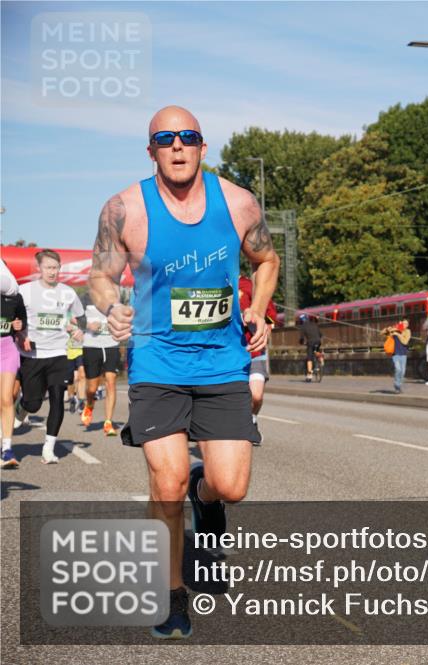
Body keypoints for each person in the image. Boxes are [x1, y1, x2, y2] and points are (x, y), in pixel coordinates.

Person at [88, 105, 279, 640]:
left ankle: (207, 495)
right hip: (156, 362)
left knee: (230, 485)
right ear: (151, 150)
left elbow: (267, 260)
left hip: (222, 362)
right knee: (165, 481)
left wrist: (258, 309)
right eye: (165, 138)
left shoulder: (238, 202)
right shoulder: (124, 209)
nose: (177, 146)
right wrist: (111, 306)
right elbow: (101, 277)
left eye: (187, 137)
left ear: (202, 146)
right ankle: (170, 595)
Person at [17, 250, 86, 465]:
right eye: (48, 267)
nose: (52, 272)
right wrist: (20, 333)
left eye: (55, 268)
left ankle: (49, 447)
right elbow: (13, 317)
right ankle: (22, 407)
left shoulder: (68, 293)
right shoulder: (25, 291)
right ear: (39, 268)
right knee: (34, 403)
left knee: (57, 397)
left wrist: (77, 329)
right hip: (32, 354)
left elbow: (80, 318)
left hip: (59, 353)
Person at [238, 274, 277, 444]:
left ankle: (252, 419)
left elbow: (271, 315)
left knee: (256, 395)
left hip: (253, 350)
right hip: (226, 352)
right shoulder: (213, 283)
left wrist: (265, 325)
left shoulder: (250, 286)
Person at [80, 293, 122, 436]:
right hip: (91, 346)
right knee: (92, 388)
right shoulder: (85, 298)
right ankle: (89, 404)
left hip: (111, 345)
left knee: (111, 381)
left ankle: (108, 422)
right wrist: (87, 325)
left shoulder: (116, 299)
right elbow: (73, 318)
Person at [1, 259, 27, 468]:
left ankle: (7, 448)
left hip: (7, 348)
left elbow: (22, 322)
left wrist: (18, 325)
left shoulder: (15, 297)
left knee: (7, 397)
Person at [380, 319, 411, 393]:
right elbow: (381, 333)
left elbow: (405, 342)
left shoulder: (407, 331)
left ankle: (399, 386)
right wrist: (387, 329)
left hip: (403, 354)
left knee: (403, 372)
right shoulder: (394, 330)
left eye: (406, 323)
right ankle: (397, 385)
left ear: (408, 325)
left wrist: (398, 334)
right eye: (403, 323)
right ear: (400, 323)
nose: (404, 325)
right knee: (398, 369)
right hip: (395, 354)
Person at [297, 313, 322, 382]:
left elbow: (302, 338)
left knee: (309, 358)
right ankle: (320, 358)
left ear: (301, 321)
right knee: (316, 350)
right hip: (318, 341)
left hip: (311, 343)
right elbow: (320, 334)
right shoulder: (314, 324)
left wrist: (301, 342)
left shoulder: (303, 327)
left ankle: (309, 375)